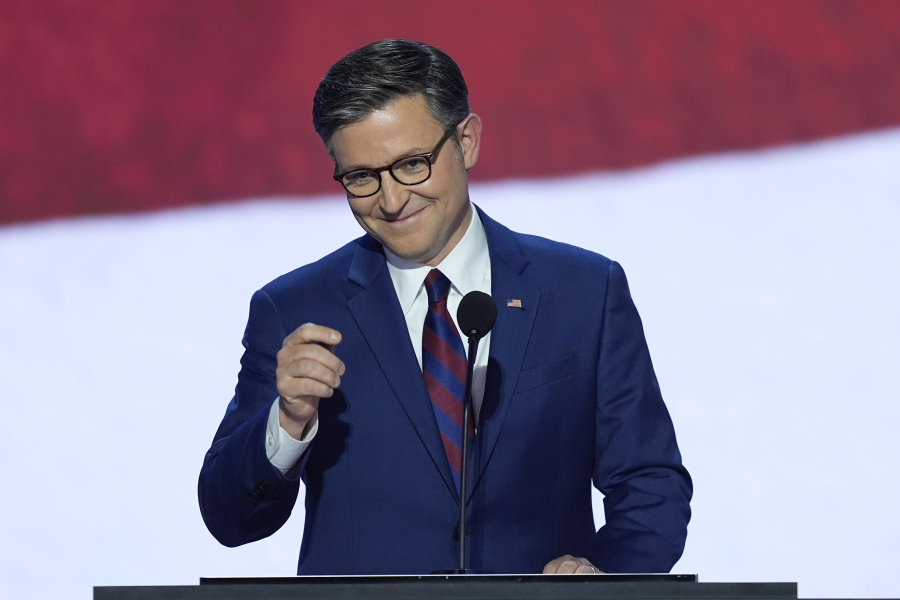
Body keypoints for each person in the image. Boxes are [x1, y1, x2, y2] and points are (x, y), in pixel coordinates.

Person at [198, 39, 691, 576]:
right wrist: (287, 421)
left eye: (411, 164)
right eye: (362, 177)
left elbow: (649, 483)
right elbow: (230, 519)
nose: (390, 200)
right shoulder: (295, 309)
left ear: (467, 141)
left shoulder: (584, 292)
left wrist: (605, 578)